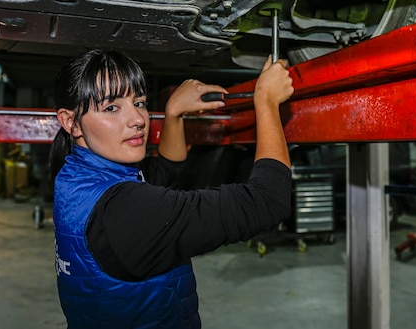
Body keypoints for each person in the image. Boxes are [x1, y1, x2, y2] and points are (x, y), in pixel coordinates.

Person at [50, 49, 294, 329]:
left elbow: (165, 169)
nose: (138, 120)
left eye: (139, 102)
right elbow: (268, 200)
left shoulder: (76, 176)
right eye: (111, 108)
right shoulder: (125, 210)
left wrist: (173, 113)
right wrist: (266, 102)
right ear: (70, 122)